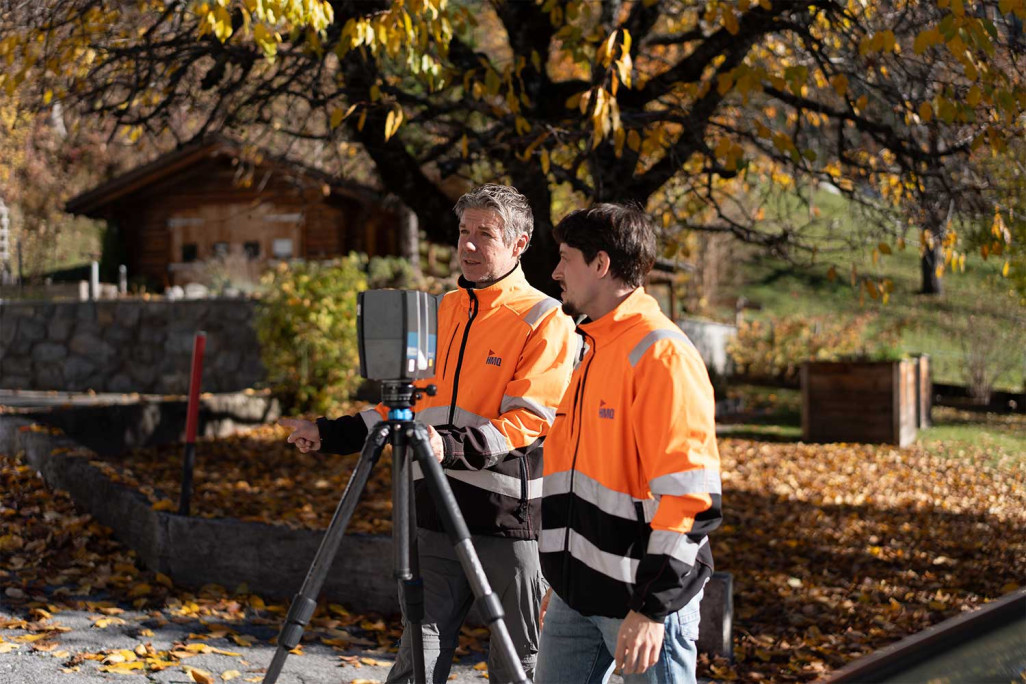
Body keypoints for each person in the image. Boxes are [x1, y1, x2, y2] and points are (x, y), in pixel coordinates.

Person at [280, 184, 577, 683]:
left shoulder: (543, 318)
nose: (470, 245)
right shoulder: (440, 310)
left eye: (486, 234)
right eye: (464, 232)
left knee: (518, 661)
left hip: (507, 520)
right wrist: (328, 433)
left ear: (520, 244)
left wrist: (451, 447)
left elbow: (530, 419)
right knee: (419, 649)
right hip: (435, 512)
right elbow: (403, 405)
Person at [535, 204, 722, 684]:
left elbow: (690, 500)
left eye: (565, 258)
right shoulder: (592, 346)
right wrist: (562, 578)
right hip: (576, 596)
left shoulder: (661, 354)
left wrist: (652, 611)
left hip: (642, 602)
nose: (555, 272)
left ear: (600, 264)